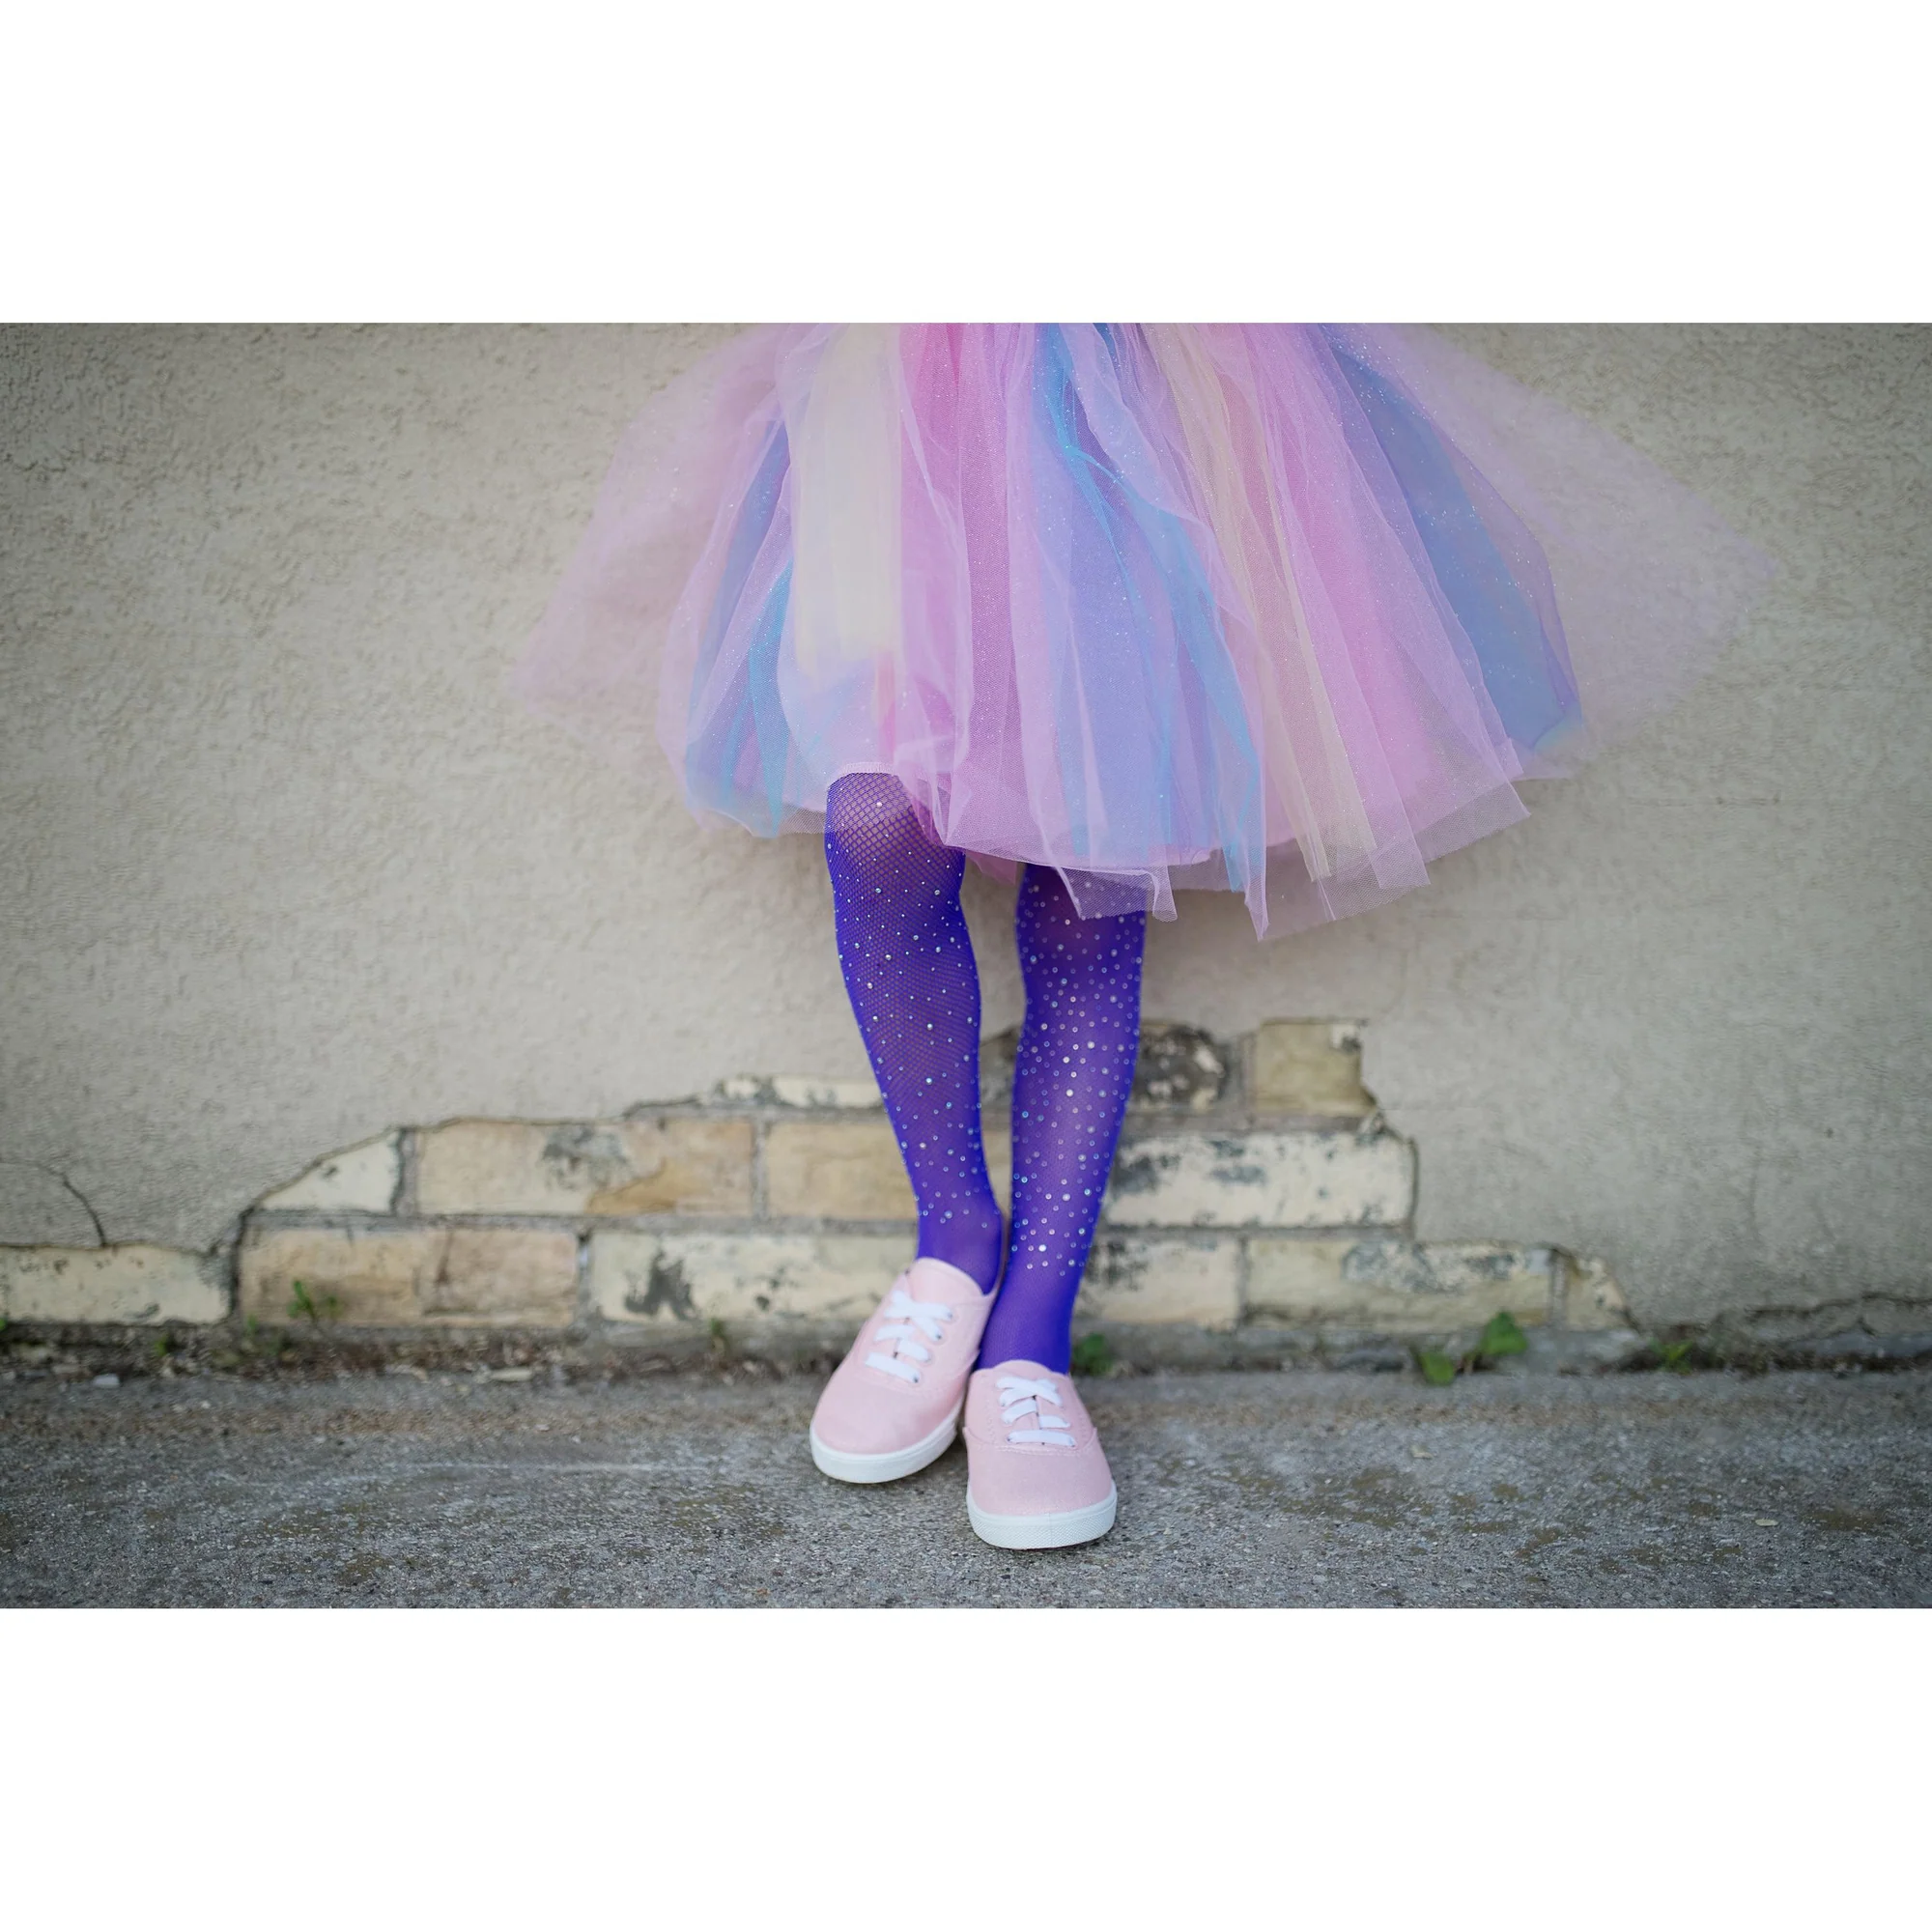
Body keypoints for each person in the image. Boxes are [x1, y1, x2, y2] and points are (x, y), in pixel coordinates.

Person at [513, 325, 1773, 1549]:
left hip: (1150, 384)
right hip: (910, 399)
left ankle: (1029, 1343)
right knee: (878, 815)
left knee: (1095, 847)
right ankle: (955, 1248)